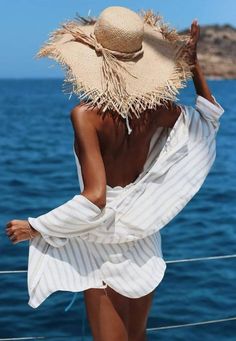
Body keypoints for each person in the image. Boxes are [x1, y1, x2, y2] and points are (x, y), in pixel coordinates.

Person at [5, 6, 224, 341]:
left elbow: (95, 200)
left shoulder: (86, 116)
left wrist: (35, 226)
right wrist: (193, 63)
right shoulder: (157, 110)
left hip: (102, 243)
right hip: (143, 238)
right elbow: (207, 120)